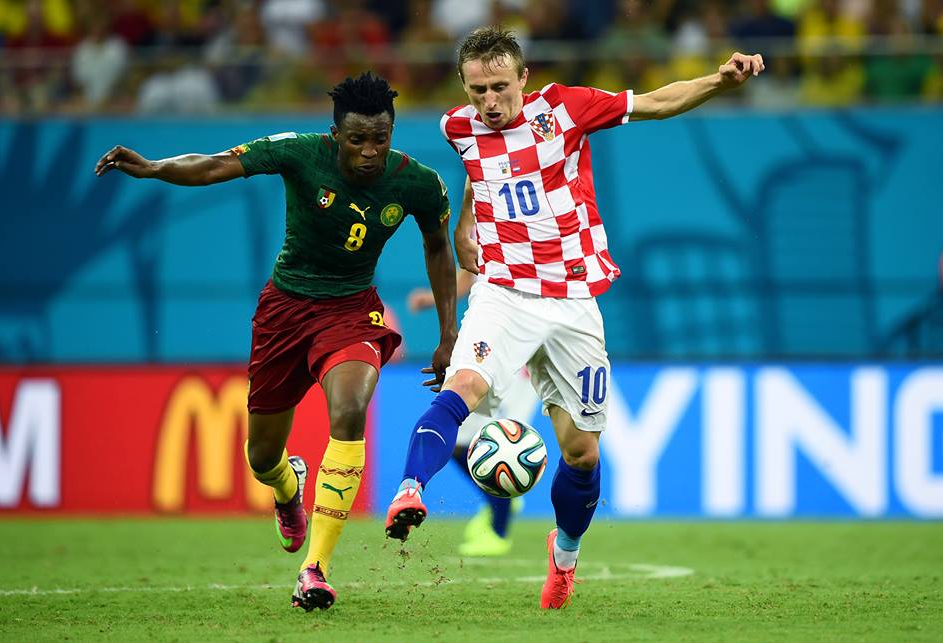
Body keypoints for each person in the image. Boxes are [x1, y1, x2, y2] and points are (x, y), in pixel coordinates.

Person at [384, 26, 763, 609]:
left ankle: (564, 556)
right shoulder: (456, 127)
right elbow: (482, 175)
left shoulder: (565, 109)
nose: (490, 101)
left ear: (524, 78)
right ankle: (409, 491)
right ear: (463, 85)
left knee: (582, 452)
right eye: (478, 90)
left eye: (501, 87)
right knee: (462, 387)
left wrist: (719, 80)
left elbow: (657, 102)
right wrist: (465, 229)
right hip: (503, 293)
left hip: (572, 301)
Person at [95, 72, 457, 611]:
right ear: (335, 136)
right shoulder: (299, 152)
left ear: (392, 134)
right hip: (284, 313)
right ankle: (288, 489)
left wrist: (449, 332)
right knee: (262, 456)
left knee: (350, 411)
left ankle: (316, 569)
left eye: (380, 139)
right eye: (357, 139)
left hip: (352, 312)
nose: (368, 151)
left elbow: (438, 248)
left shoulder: (417, 183)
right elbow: (214, 165)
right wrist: (152, 168)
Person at [407, 266, 535, 557]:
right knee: (458, 442)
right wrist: (432, 298)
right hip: (486, 355)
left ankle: (498, 532)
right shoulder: (480, 238)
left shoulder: (528, 243)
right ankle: (499, 494)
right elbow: (467, 275)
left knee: (503, 445)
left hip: (518, 364)